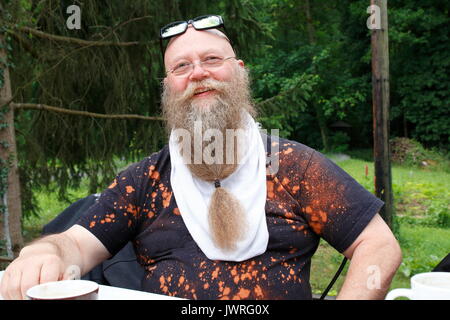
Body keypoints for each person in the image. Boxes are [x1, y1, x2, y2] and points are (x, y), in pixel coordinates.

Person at [0, 15, 402, 300]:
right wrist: (44, 253)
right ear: (168, 87)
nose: (197, 73)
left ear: (240, 72)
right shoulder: (144, 181)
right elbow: (75, 243)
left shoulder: (293, 166)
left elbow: (378, 245)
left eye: (212, 60)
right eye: (181, 67)